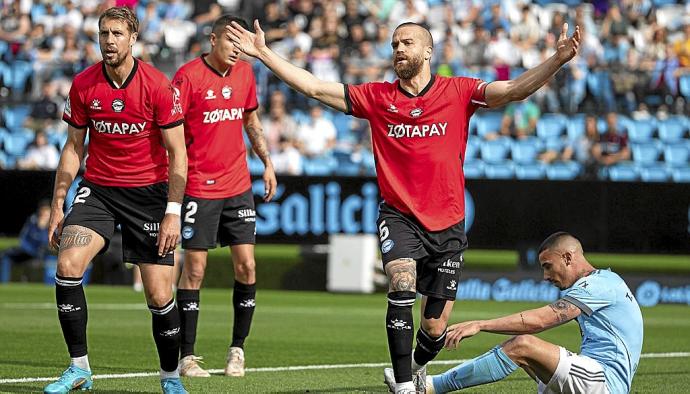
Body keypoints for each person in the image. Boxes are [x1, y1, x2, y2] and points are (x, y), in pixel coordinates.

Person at [226, 19, 580, 394]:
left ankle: (414, 366)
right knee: (401, 281)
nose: (398, 49)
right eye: (395, 43)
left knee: (434, 329)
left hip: (448, 223)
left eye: (407, 43)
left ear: (428, 51)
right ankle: (405, 386)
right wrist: (264, 53)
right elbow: (314, 87)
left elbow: (512, 90)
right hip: (399, 216)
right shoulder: (377, 97)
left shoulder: (458, 91)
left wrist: (556, 60)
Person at [45, 7, 188, 394]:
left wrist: (173, 212)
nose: (109, 41)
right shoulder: (84, 84)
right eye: (104, 34)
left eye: (117, 34)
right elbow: (74, 148)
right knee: (69, 263)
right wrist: (59, 204)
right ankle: (79, 369)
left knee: (159, 295)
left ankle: (170, 377)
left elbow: (179, 154)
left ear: (133, 38)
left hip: (149, 195)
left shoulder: (158, 87)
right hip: (100, 189)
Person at [171, 15, 277, 379]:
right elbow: (169, 132)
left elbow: (252, 122)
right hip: (199, 186)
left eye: (241, 42)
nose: (236, 48)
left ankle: (237, 350)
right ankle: (186, 357)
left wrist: (267, 162)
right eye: (230, 41)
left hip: (238, 186)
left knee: (247, 266)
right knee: (194, 269)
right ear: (213, 39)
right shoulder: (187, 76)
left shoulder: (245, 74)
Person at [424, 232, 643, 394]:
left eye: (548, 266)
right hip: (594, 377)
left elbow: (539, 321)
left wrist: (480, 324)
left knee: (523, 345)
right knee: (528, 358)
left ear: (568, 257)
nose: (545, 277)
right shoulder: (604, 281)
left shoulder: (597, 286)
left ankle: (431, 387)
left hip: (604, 382)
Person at [0, 199, 51, 283]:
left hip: (41, 253)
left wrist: (41, 228)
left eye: (46, 211)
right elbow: (23, 237)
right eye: (42, 210)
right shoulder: (33, 220)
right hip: (27, 251)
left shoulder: (53, 224)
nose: (44, 213)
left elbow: (46, 242)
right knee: (5, 256)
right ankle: (3, 284)